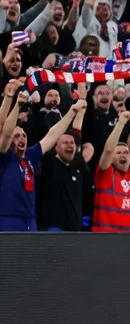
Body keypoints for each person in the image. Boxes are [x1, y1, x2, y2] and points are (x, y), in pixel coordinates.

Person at [0, 84, 85, 231]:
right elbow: (6, 133)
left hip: (30, 219)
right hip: (8, 218)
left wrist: (72, 111)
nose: (22, 138)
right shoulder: (4, 157)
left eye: (24, 135)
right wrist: (16, 106)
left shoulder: (30, 156)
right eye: (17, 136)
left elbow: (52, 136)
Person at [93, 109, 130, 233]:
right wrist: (120, 123)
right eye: (119, 152)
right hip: (104, 238)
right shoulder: (105, 172)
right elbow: (109, 149)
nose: (123, 155)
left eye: (126, 153)